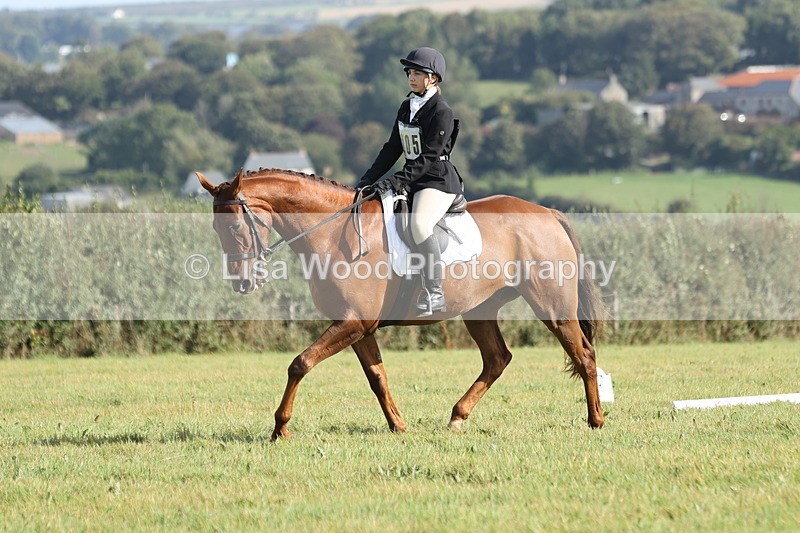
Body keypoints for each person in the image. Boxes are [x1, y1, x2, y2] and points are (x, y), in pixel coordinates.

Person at [357, 47, 462, 316]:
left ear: (433, 78)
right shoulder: (407, 107)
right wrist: (369, 179)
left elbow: (428, 157)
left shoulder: (442, 112)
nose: (411, 78)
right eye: (409, 73)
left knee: (418, 223)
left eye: (417, 73)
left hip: (436, 181)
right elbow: (393, 148)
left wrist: (394, 181)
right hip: (412, 179)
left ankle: (434, 292)